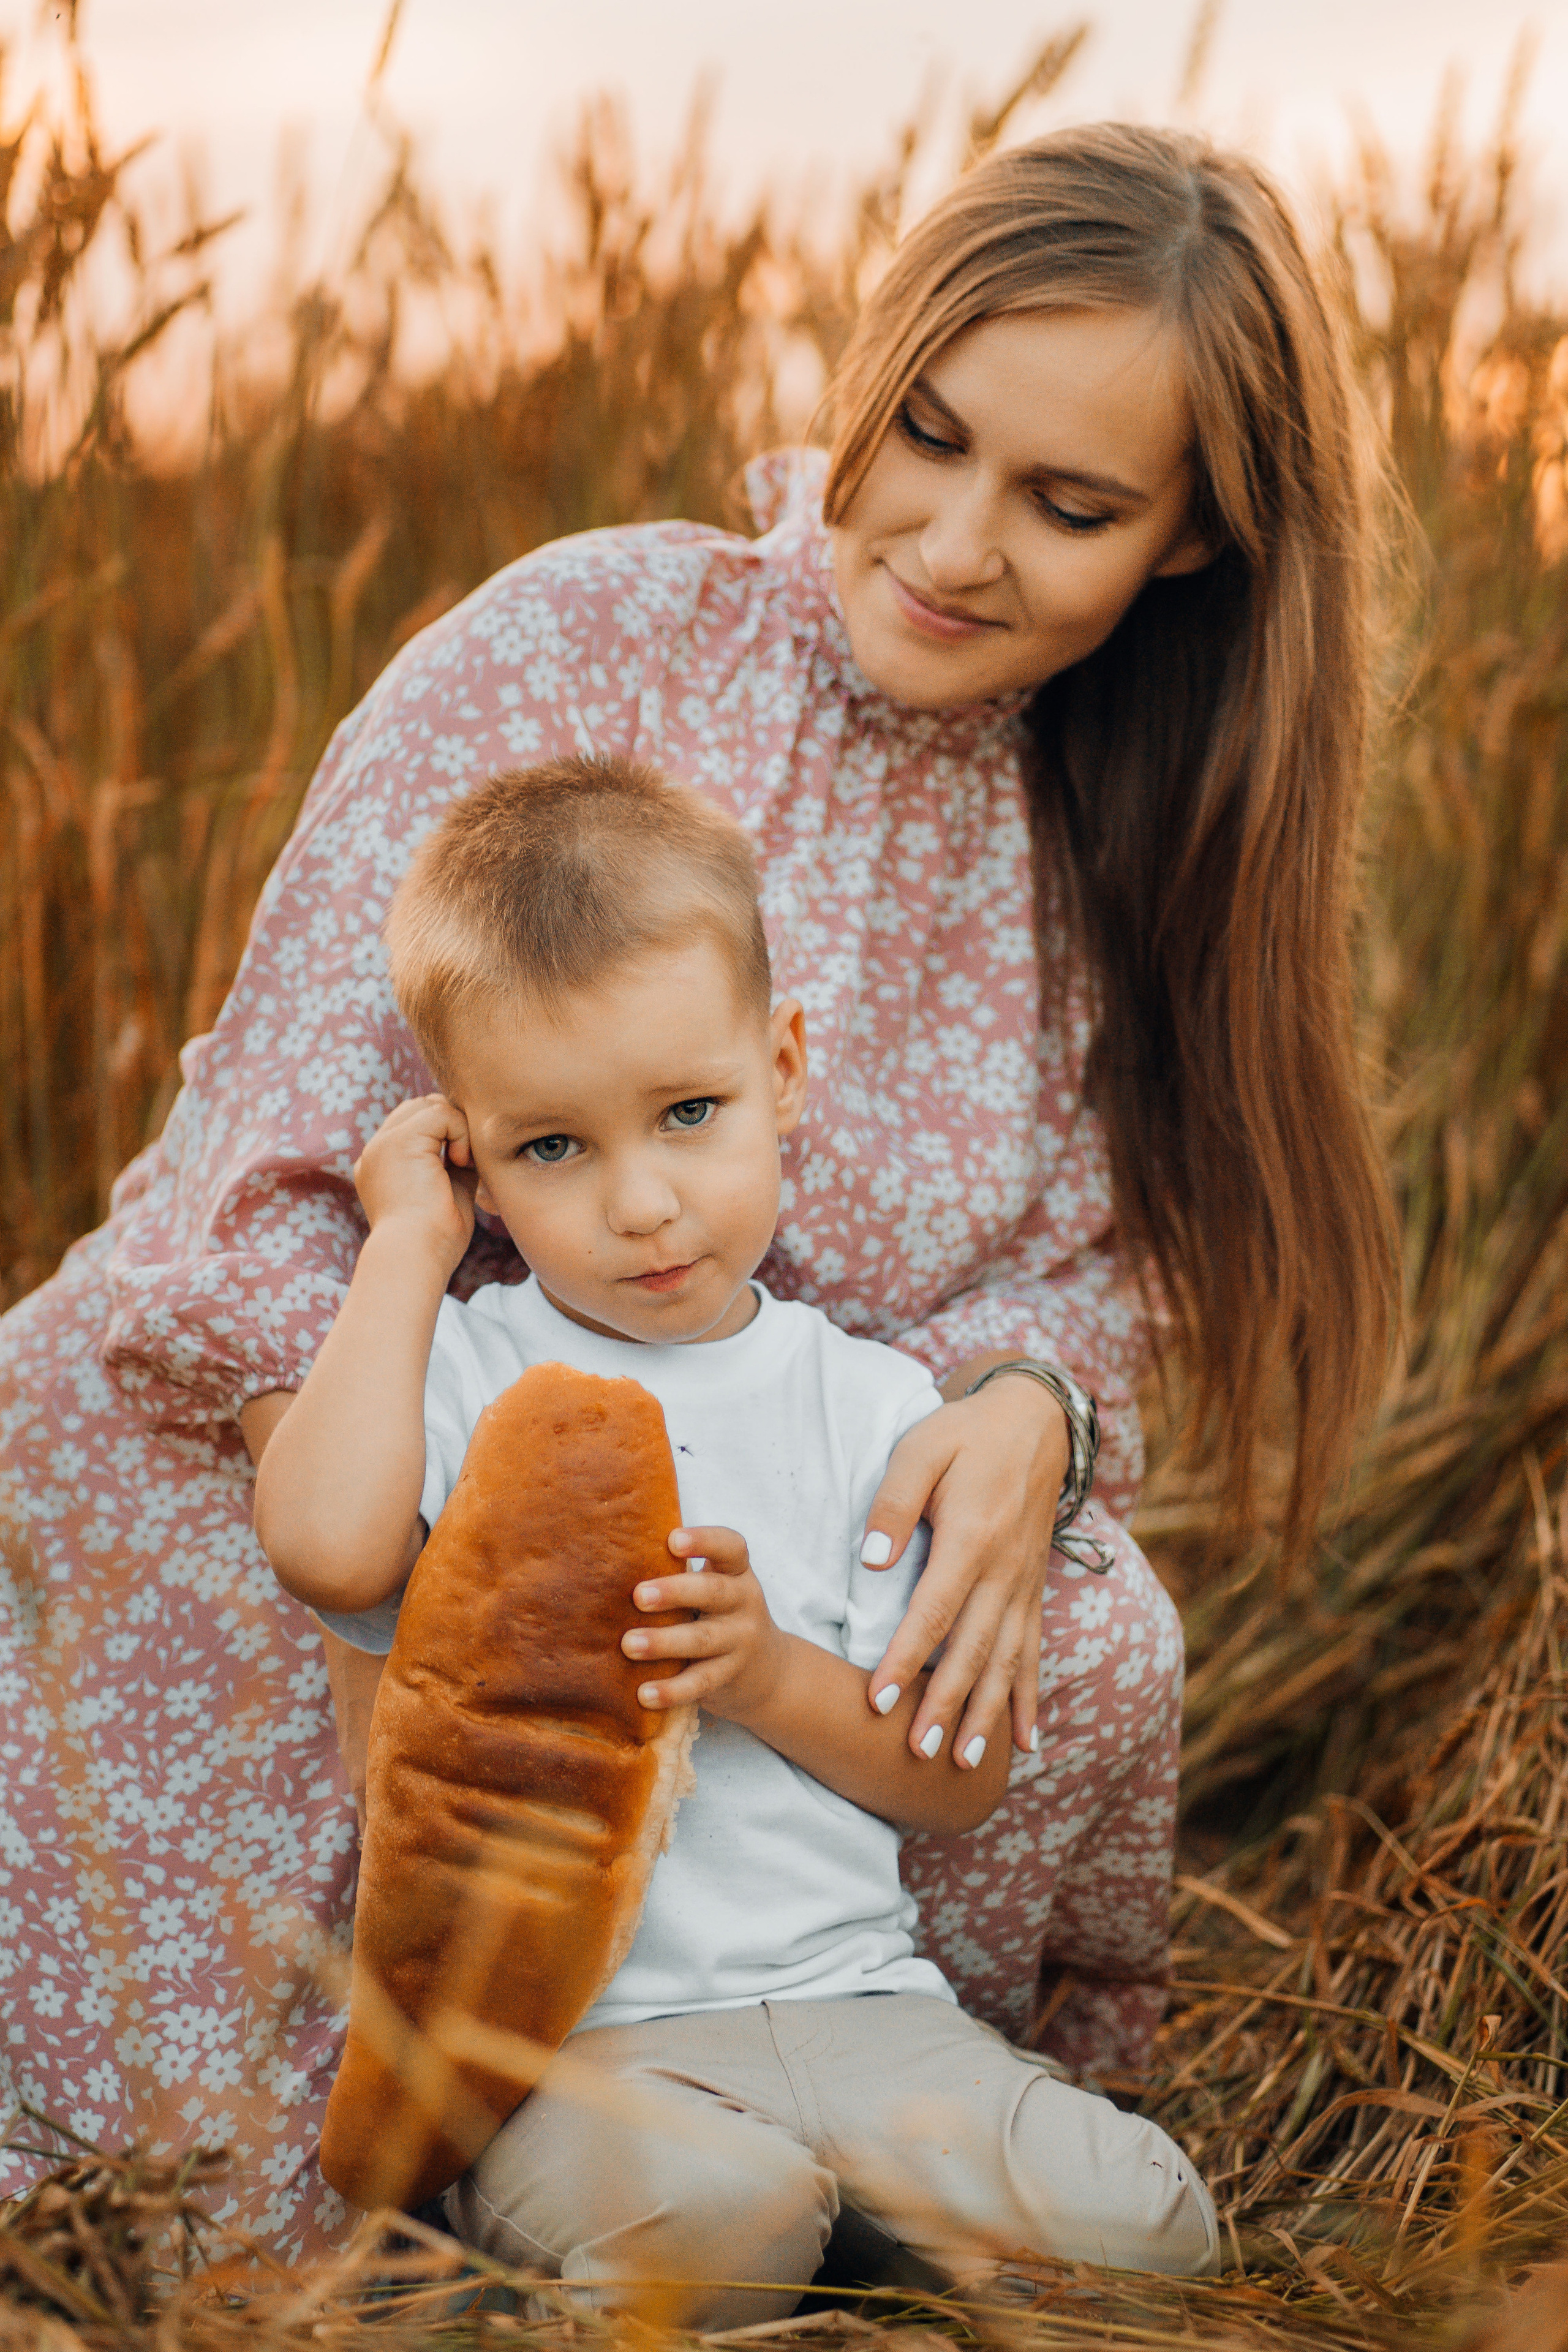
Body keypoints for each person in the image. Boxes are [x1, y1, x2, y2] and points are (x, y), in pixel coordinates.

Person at [0, 124, 1394, 2260]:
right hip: (406, 1397)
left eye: (1072, 503)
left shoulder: (1112, 839)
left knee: (1090, 1631)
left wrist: (1031, 1408)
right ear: (872, 366)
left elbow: (1086, 1272)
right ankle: (365, 2165)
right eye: (925, 435)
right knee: (306, 1571)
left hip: (781, 1492)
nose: (948, 537)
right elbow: (274, 1152)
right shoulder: (592, 640)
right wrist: (411, 1542)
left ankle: (846, 2105)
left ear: (1194, 548)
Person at [252, 755, 1219, 2318]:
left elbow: (954, 1778)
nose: (641, 1204)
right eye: (549, 1149)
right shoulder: (474, 1372)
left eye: (689, 1113)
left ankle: (878, 2228)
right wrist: (406, 1250)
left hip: (861, 2007)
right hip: (580, 2052)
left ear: (782, 1066)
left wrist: (765, 1671)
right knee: (711, 2217)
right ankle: (746, 2240)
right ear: (475, 1160)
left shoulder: (870, 1402)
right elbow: (322, 1549)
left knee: (1146, 2225)